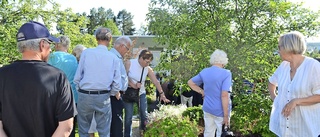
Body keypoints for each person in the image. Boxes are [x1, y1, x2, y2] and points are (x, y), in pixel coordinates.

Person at [0, 21, 77, 137]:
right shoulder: (58, 77)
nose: (50, 49)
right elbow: (66, 126)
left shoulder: (2, 75)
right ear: (42, 45)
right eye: (49, 44)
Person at [268, 31, 320, 137]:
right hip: (284, 129)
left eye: (279, 47)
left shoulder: (313, 66)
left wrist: (296, 101)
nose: (278, 51)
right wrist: (275, 98)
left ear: (288, 47)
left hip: (305, 129)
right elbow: (271, 82)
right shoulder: (284, 66)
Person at [74, 27, 121, 137]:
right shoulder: (114, 58)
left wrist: (81, 90)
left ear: (96, 38)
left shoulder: (86, 53)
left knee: (84, 130)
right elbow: (117, 83)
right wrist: (110, 93)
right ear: (110, 39)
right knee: (104, 131)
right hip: (103, 95)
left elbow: (77, 77)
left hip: (85, 94)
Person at [124, 49, 170, 137]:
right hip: (129, 93)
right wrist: (133, 84)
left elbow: (156, 82)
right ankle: (127, 135)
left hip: (141, 94)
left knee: (144, 115)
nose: (147, 64)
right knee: (128, 118)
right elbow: (123, 77)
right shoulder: (130, 63)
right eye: (146, 61)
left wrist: (162, 94)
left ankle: (144, 133)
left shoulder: (148, 69)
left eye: (149, 62)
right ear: (141, 58)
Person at [188, 49, 232, 137]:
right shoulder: (226, 73)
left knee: (208, 132)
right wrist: (226, 115)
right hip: (220, 110)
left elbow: (190, 83)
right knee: (222, 133)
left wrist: (202, 91)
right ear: (224, 61)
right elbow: (224, 95)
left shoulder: (205, 71)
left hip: (207, 107)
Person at [48, 35, 78, 137]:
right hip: (73, 96)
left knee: (55, 127)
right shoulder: (73, 59)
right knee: (70, 127)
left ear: (56, 45)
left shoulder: (51, 57)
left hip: (55, 96)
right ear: (68, 46)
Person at [110, 36, 132, 137]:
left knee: (117, 124)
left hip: (117, 94)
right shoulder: (113, 57)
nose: (127, 52)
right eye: (127, 49)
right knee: (116, 125)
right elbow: (111, 76)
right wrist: (116, 91)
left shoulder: (116, 57)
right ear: (122, 46)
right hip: (115, 95)